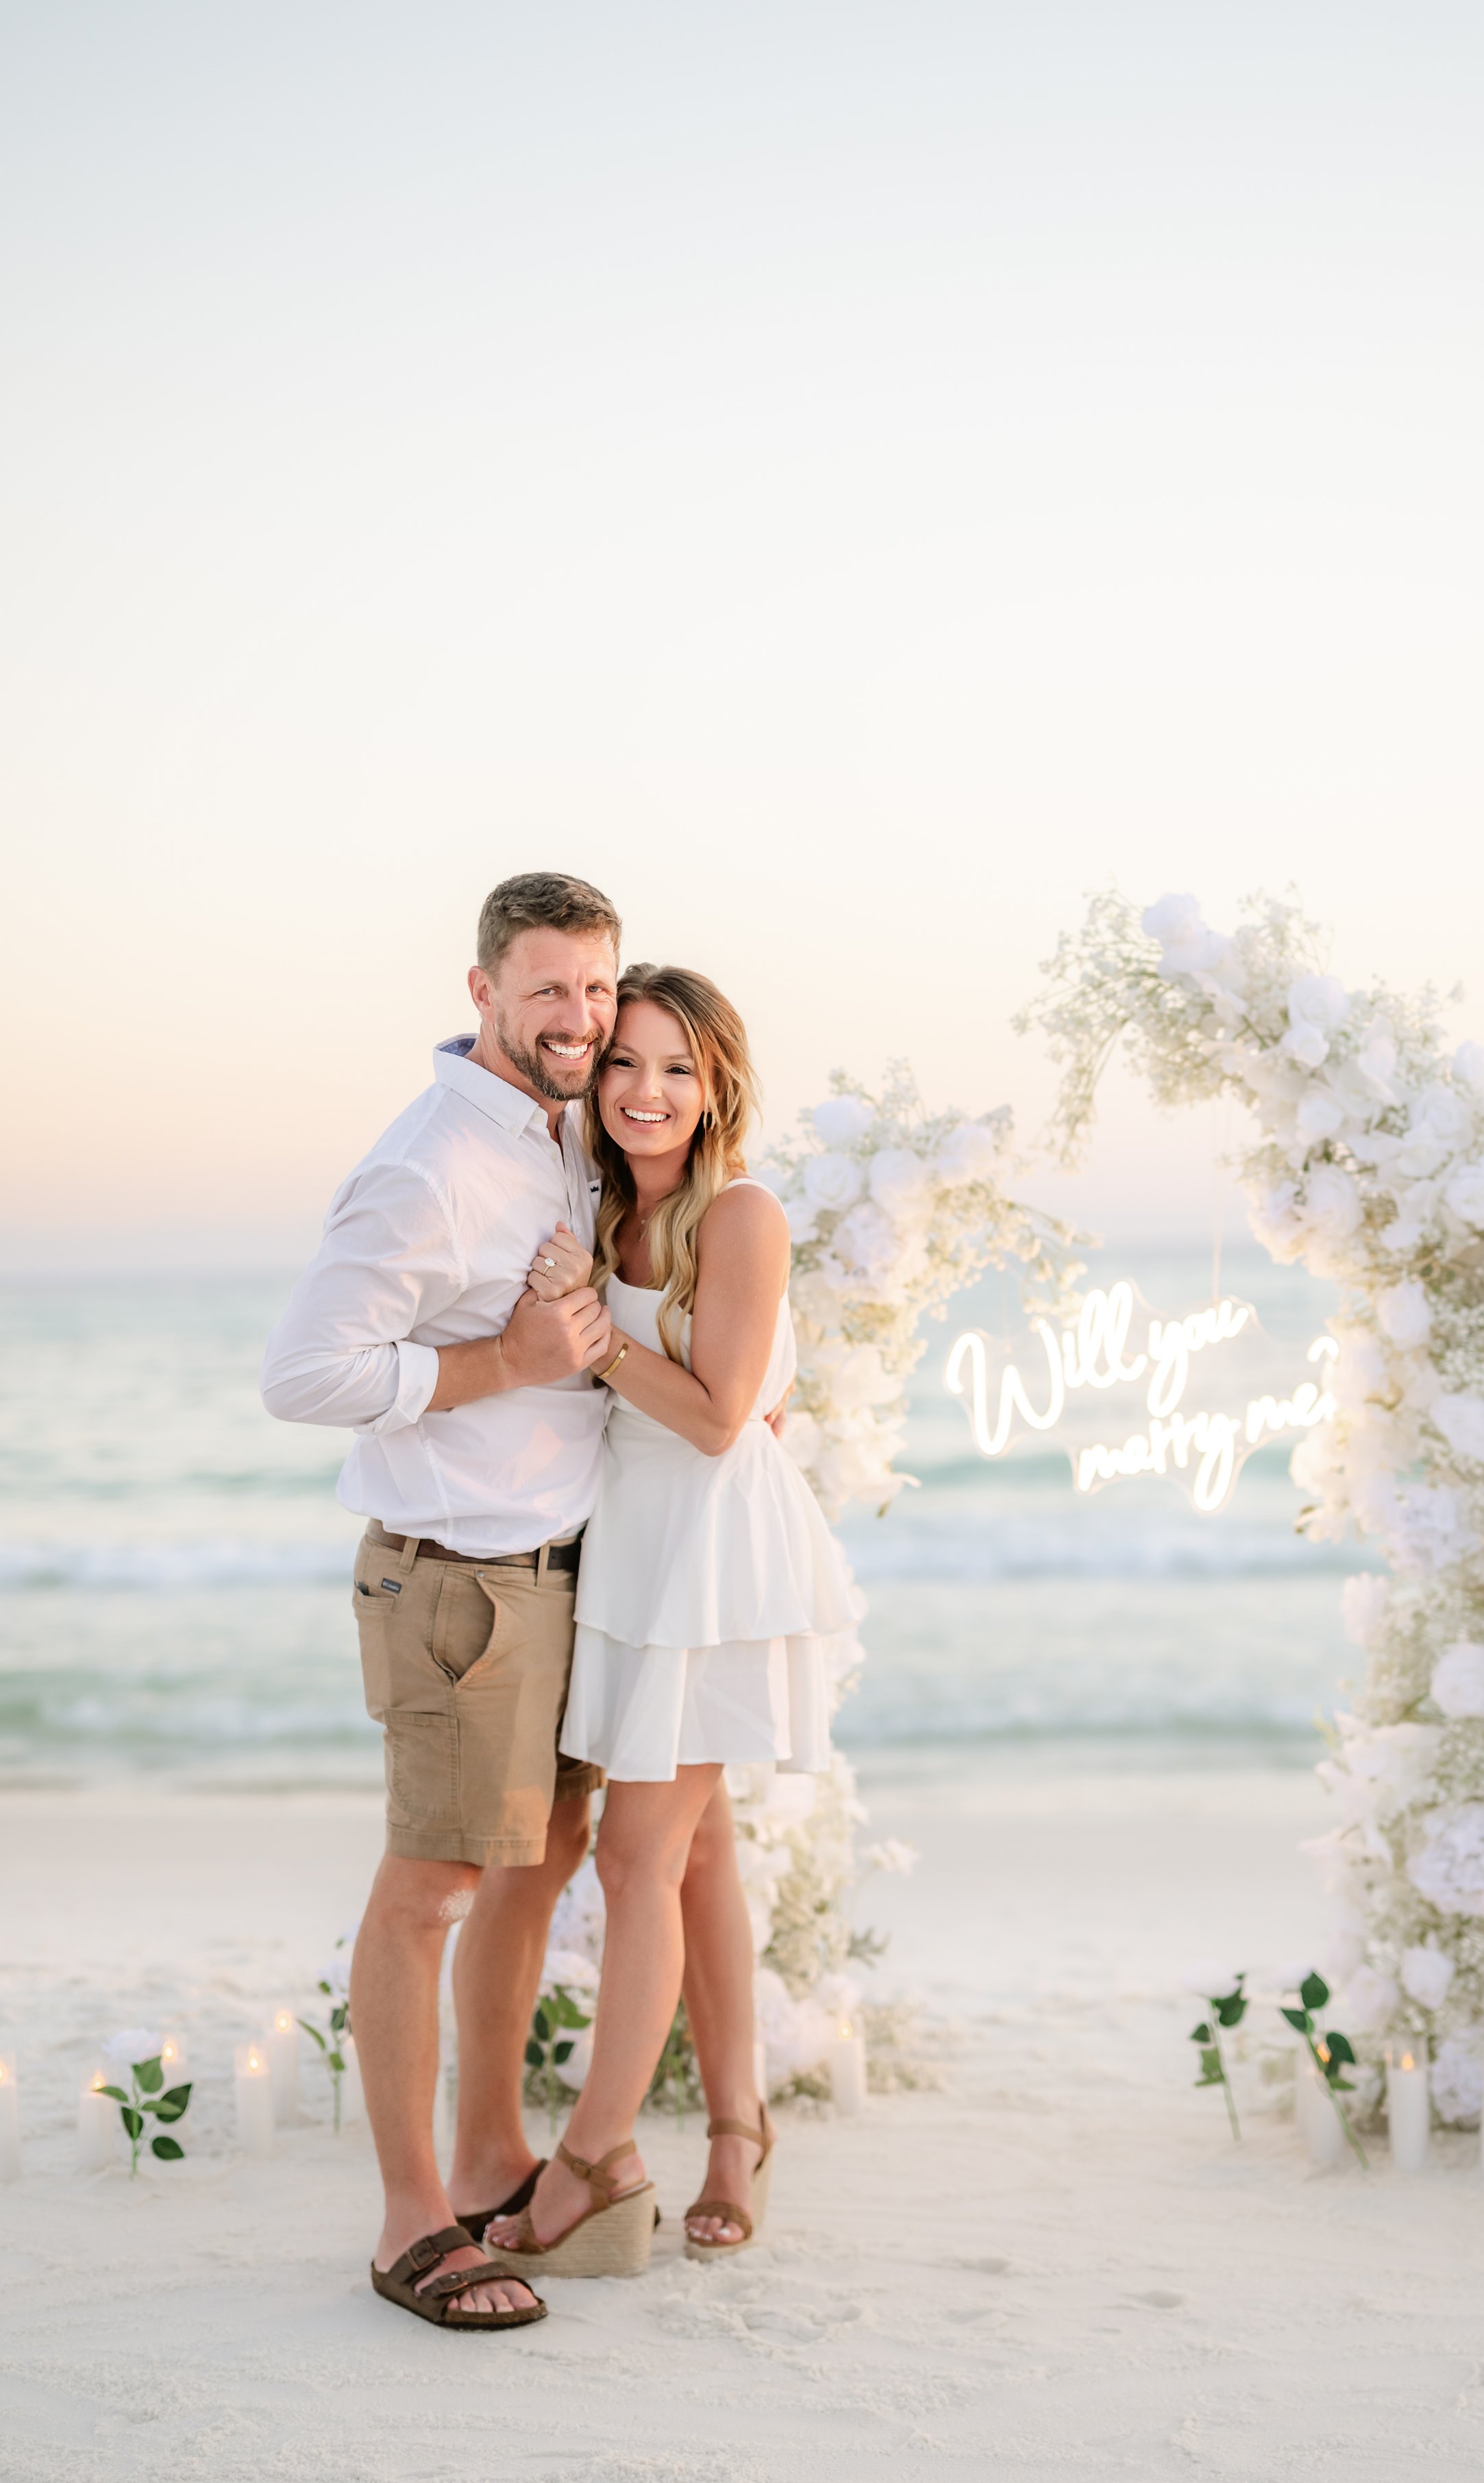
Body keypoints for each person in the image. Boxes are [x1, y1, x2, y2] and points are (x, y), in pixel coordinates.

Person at [260, 870, 625, 2328]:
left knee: (537, 1866)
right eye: (546, 989)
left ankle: (488, 2156)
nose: (579, 1019)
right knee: (431, 1892)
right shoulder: (429, 1165)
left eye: (596, 989)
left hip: (560, 1567)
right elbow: (303, 1375)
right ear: (480, 992)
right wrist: (503, 1366)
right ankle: (411, 2223)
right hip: (457, 1582)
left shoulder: (567, 1135)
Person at [488, 963, 860, 2275]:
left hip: (715, 1556)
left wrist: (594, 1339)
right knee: (695, 1860)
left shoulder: (741, 1216)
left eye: (677, 1069)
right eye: (627, 1063)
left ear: (718, 1090)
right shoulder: (602, 1214)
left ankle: (594, 2159)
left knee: (638, 1860)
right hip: (633, 1546)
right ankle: (738, 2130)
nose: (647, 1092)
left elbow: (716, 1416)